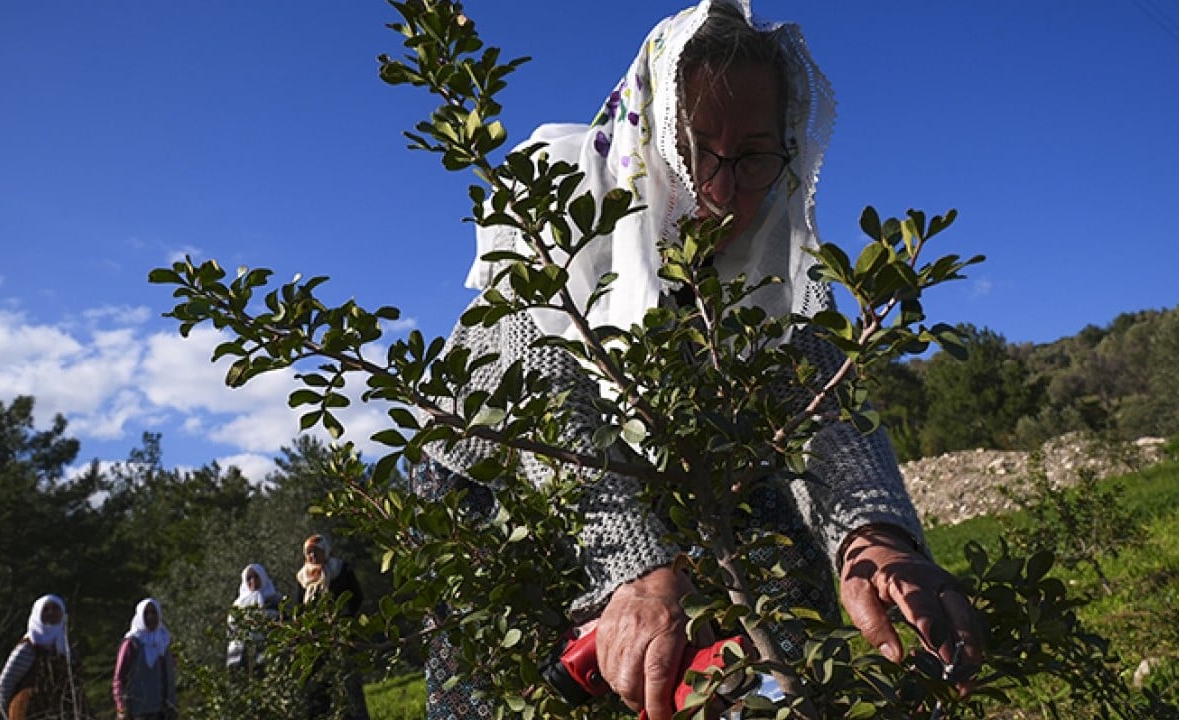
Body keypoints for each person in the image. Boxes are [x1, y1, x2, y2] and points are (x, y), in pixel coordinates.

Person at [421, 1, 985, 719]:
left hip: (690, 471)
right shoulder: (564, 192)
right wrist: (635, 567)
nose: (721, 192)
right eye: (694, 150)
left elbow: (817, 400)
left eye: (752, 155)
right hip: (512, 486)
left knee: (771, 653)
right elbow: (542, 378)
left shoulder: (774, 257)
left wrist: (872, 540)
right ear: (649, 136)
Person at [295, 534, 368, 720]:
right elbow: (298, 609)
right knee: (319, 681)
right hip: (316, 638)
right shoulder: (303, 577)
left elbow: (356, 596)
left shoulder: (340, 570)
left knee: (346, 679)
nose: (312, 556)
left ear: (326, 551)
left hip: (341, 633)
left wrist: (344, 618)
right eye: (308, 553)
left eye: (315, 552)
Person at [0, 594, 89, 720]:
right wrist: (12, 714)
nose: (51, 613)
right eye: (46, 609)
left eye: (55, 608)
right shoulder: (27, 648)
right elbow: (4, 686)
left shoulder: (66, 647)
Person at [112, 598, 177, 720]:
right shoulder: (132, 643)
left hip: (163, 710)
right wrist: (121, 707)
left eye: (154, 612)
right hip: (137, 711)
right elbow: (119, 678)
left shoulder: (165, 641)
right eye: (146, 613)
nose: (151, 617)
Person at [226, 563, 282, 675]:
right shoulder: (238, 605)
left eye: (256, 577)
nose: (253, 581)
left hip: (266, 653)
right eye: (249, 578)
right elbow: (231, 630)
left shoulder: (274, 600)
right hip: (240, 655)